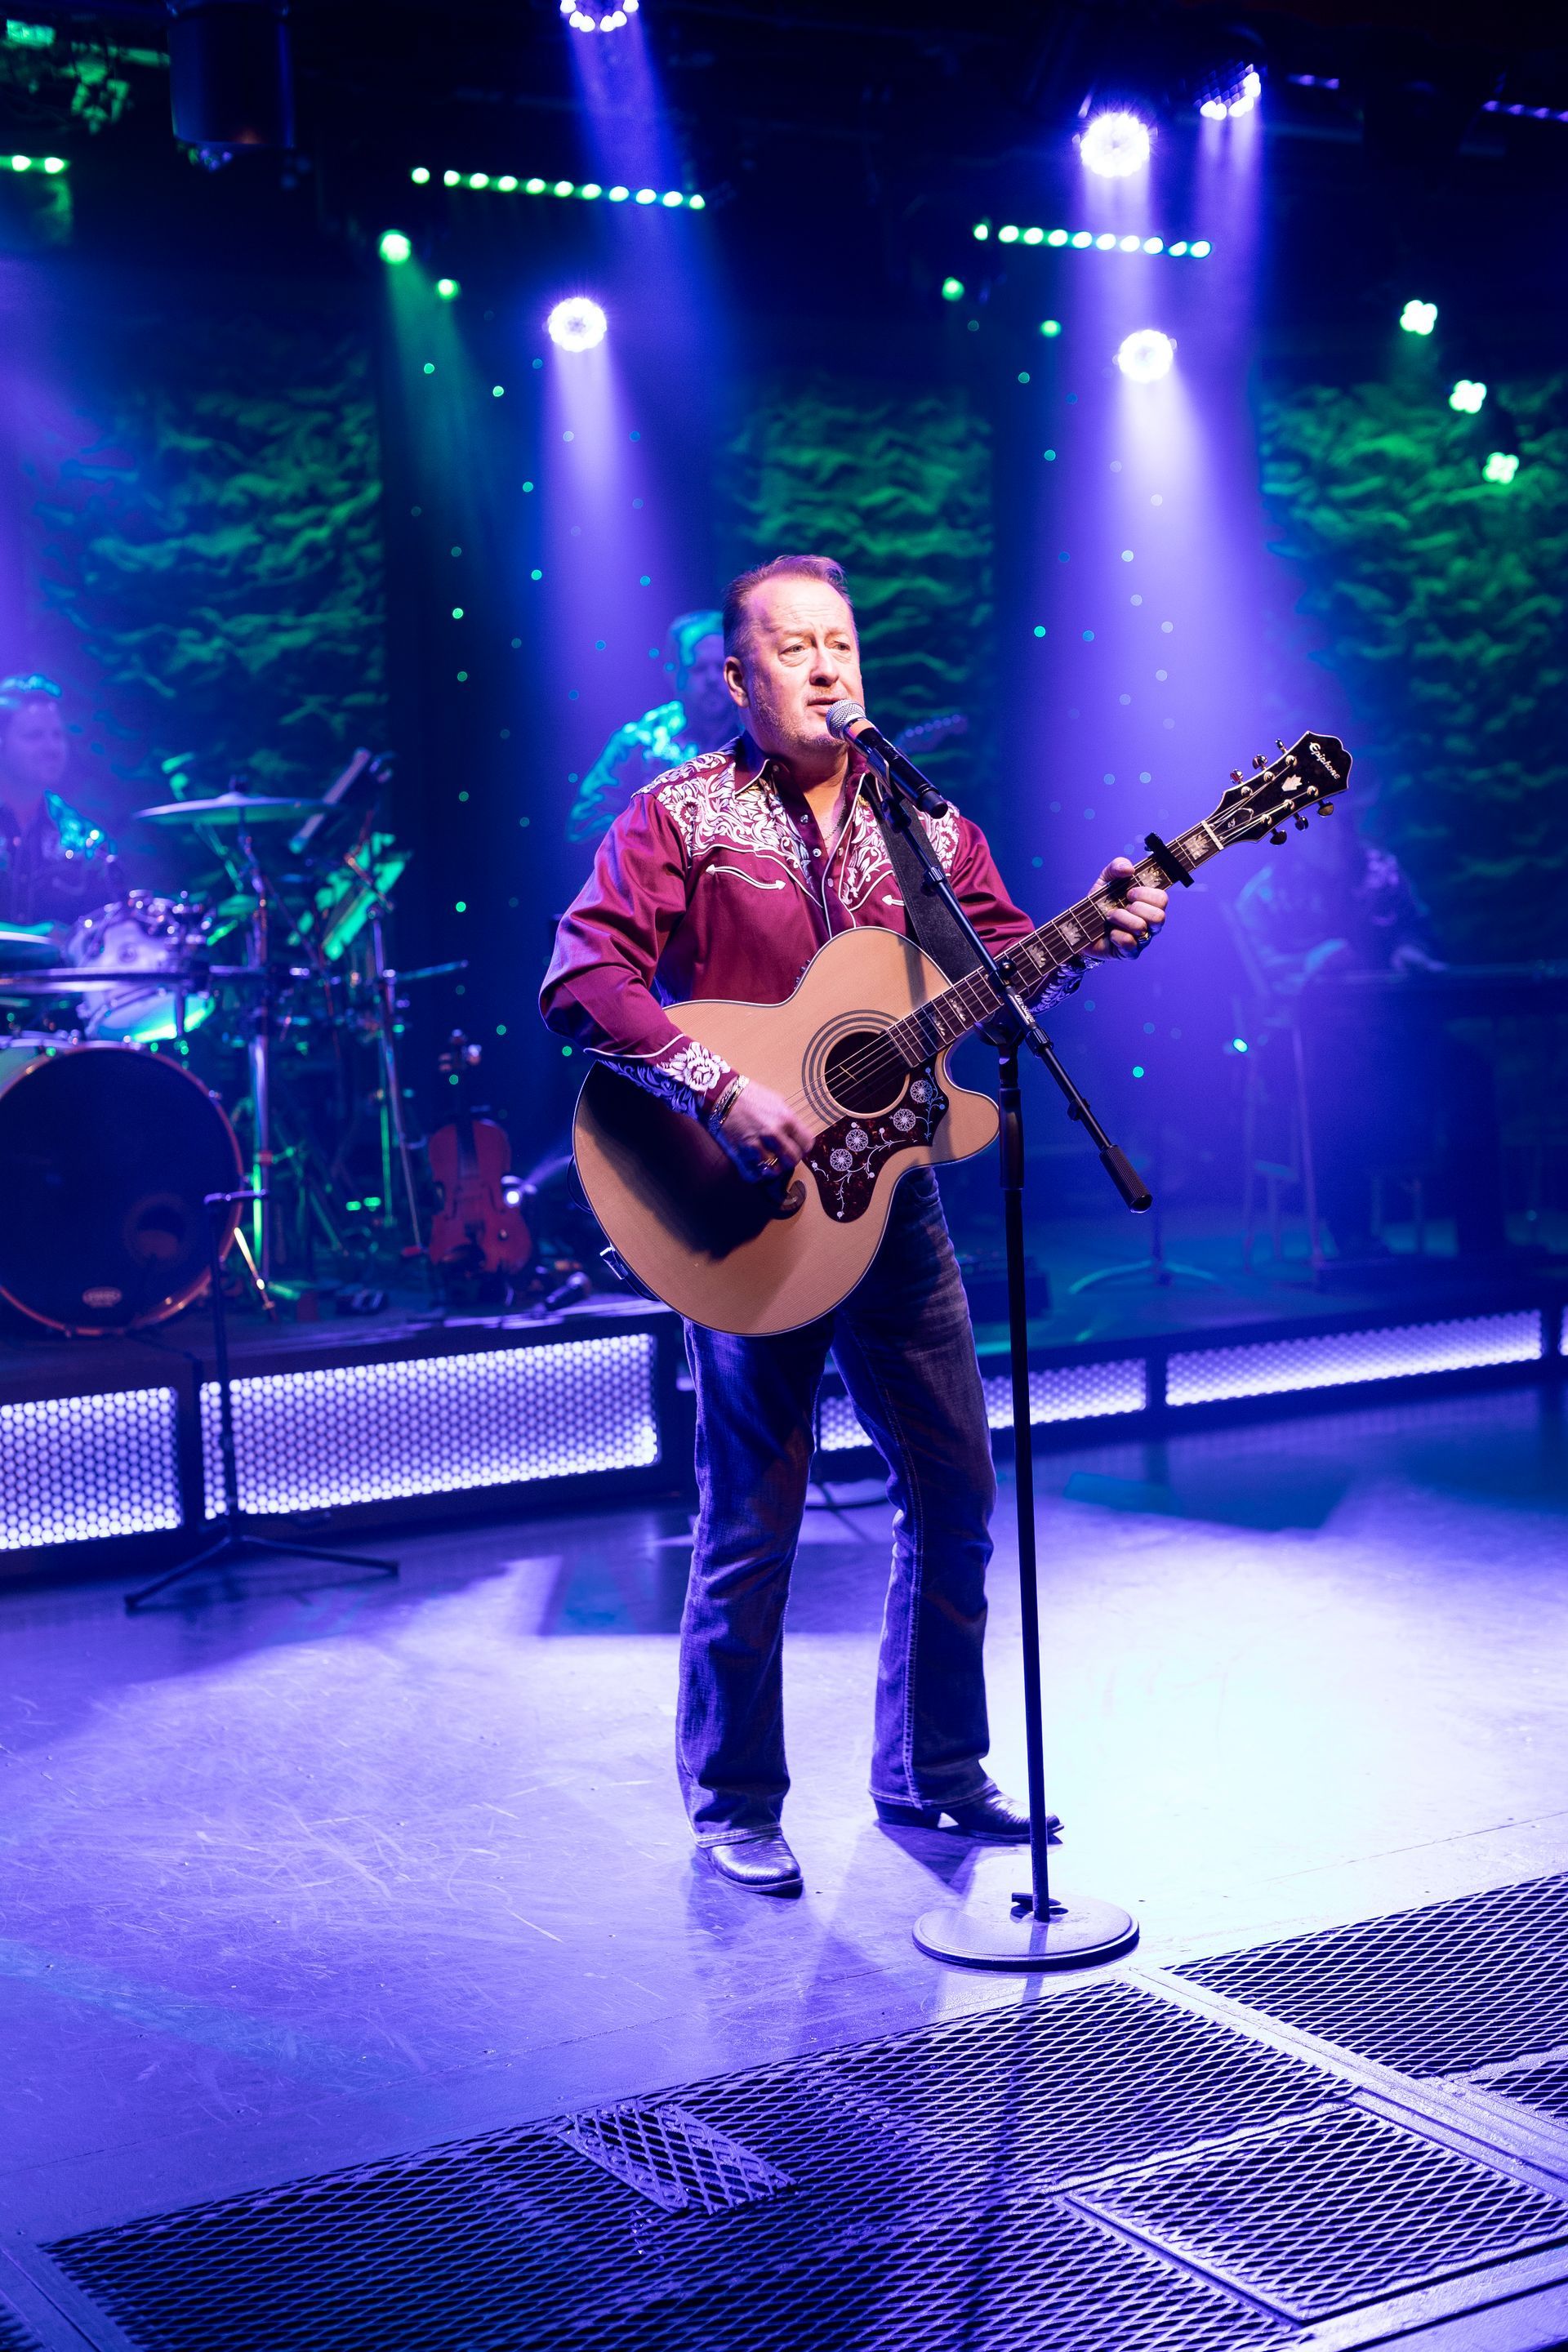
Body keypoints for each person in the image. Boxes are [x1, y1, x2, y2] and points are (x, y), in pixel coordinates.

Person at [541, 555, 1169, 1895]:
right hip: (740, 1204)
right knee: (752, 1520)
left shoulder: (925, 826)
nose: (826, 666)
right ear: (738, 677)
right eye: (793, 646)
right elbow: (582, 976)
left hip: (896, 1202)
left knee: (956, 1489)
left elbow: (1002, 987)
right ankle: (731, 1796)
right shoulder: (681, 816)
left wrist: (1098, 935)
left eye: (842, 643)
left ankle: (936, 1773)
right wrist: (720, 1082)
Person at [566, 610, 733, 843]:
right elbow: (587, 822)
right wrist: (652, 846)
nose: (713, 679)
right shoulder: (638, 742)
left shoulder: (760, 737)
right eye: (698, 668)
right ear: (673, 674)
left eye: (720, 666)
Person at [0, 675, 120, 928]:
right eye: (34, 736)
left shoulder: (87, 843)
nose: (51, 747)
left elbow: (108, 942)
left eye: (57, 735)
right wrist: (32, 939)